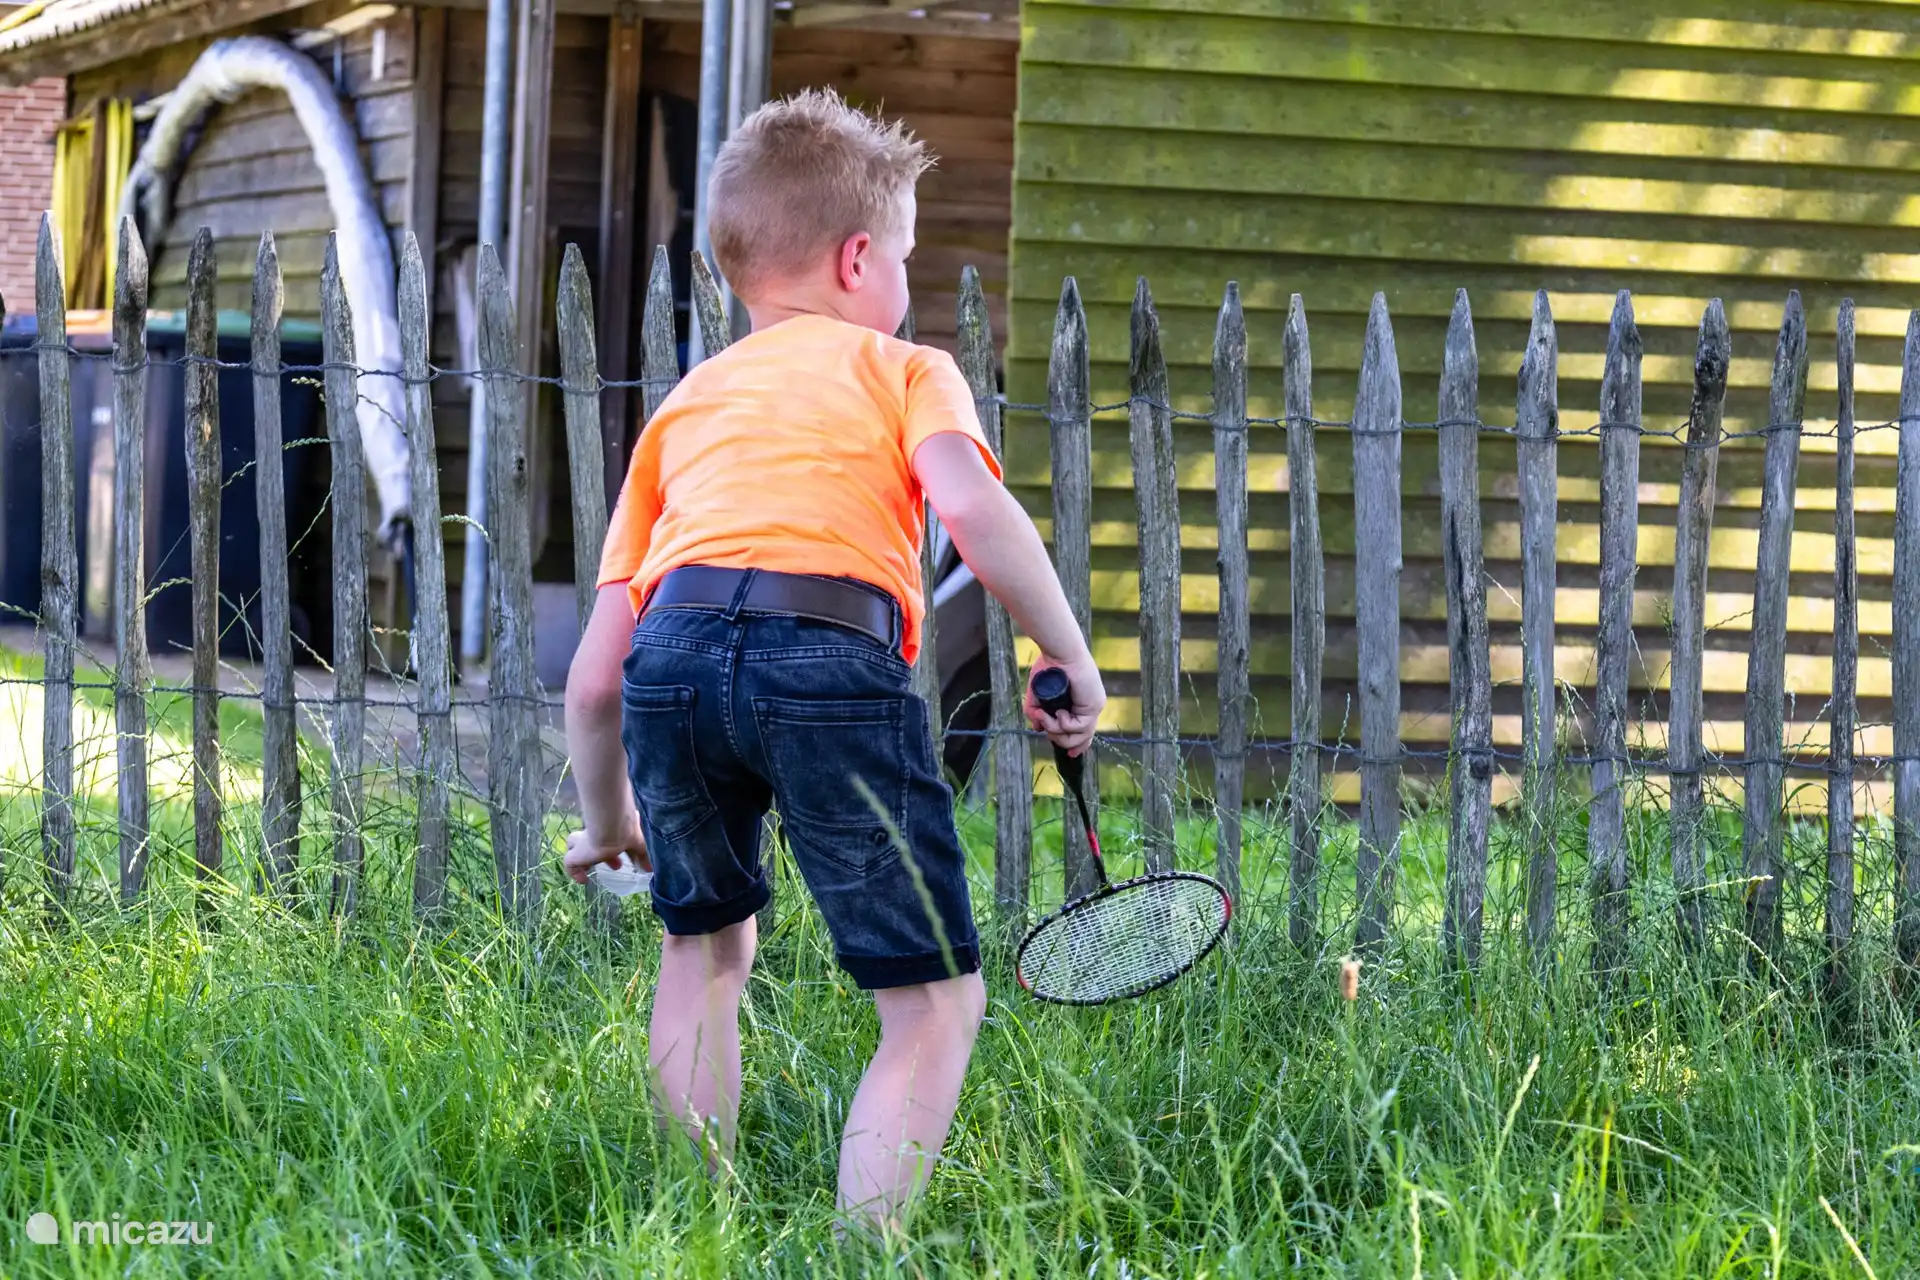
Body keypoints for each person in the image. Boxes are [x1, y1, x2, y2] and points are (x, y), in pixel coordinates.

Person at [560, 88, 1106, 1231]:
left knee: (702, 946)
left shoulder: (686, 408)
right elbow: (972, 508)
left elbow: (598, 674)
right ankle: (863, 1247)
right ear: (861, 260)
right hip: (828, 659)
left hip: (673, 659)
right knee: (932, 999)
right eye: (903, 257)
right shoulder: (905, 369)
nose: (904, 284)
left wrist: (608, 820)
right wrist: (1066, 648)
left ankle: (688, 1224)